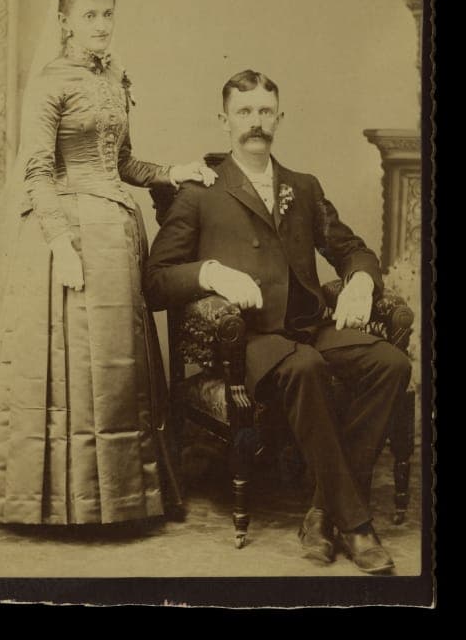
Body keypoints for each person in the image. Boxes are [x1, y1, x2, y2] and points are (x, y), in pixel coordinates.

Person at [0, 0, 216, 527]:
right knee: (64, 370)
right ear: (64, 19)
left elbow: (122, 163)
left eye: (107, 13)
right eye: (88, 14)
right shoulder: (50, 83)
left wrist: (174, 172)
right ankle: (50, 504)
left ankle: (116, 500)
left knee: (115, 371)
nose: (100, 25)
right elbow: (38, 171)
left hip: (117, 239)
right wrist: (61, 244)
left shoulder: (116, 77)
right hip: (62, 238)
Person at [144, 69, 411, 574]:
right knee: (306, 368)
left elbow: (352, 249)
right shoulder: (200, 193)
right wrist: (211, 272)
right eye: (244, 112)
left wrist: (360, 281)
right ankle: (356, 525)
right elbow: (156, 281)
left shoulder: (303, 187)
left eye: (265, 111)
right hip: (250, 340)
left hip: (309, 327)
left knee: (392, 364)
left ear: (279, 118)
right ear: (224, 120)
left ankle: (321, 512)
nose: (256, 122)